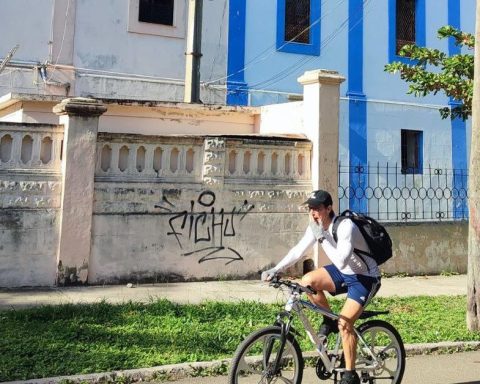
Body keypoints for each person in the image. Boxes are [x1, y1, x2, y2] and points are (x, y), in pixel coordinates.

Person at [261, 190, 381, 384]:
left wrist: (322, 236)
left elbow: (342, 261)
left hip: (364, 278)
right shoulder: (316, 227)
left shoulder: (345, 226)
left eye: (317, 208)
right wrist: (276, 269)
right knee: (307, 280)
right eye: (310, 208)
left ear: (328, 208)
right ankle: (328, 320)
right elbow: (298, 250)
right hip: (344, 273)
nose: (313, 213)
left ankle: (350, 375)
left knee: (345, 324)